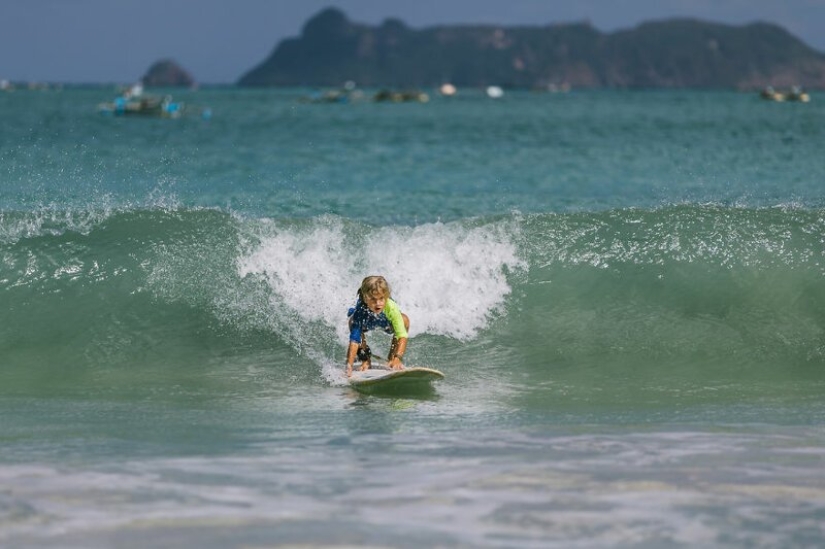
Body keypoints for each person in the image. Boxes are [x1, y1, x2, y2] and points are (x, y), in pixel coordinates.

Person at [346, 275, 410, 377]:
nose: (378, 303)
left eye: (381, 299)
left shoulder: (391, 307)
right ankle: (365, 359)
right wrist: (349, 366)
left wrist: (398, 357)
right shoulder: (361, 309)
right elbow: (354, 341)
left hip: (387, 323)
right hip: (367, 323)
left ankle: (392, 358)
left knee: (405, 320)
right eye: (373, 299)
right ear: (365, 297)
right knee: (352, 322)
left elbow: (402, 335)